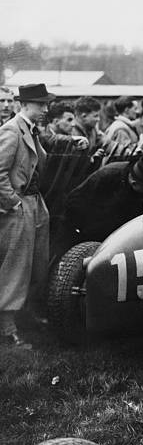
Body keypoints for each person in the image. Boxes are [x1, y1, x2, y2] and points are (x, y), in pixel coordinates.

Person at [0, 83, 55, 348]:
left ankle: (26, 316)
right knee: (15, 267)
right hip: (19, 207)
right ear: (24, 105)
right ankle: (7, 328)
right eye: (40, 104)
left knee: (36, 263)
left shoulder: (32, 131)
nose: (45, 109)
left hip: (35, 204)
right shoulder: (11, 130)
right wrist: (12, 203)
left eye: (46, 104)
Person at [65, 156, 143, 242]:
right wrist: (80, 229)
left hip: (114, 234)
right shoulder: (108, 175)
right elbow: (76, 199)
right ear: (134, 183)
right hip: (87, 225)